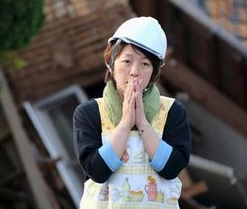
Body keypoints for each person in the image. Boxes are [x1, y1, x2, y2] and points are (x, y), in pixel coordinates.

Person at [73, 16, 191, 208]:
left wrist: (143, 122)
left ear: (154, 73)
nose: (135, 71)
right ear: (110, 64)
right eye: (127, 61)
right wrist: (126, 123)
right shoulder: (90, 113)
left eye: (145, 64)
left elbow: (172, 168)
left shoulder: (172, 111)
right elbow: (98, 171)